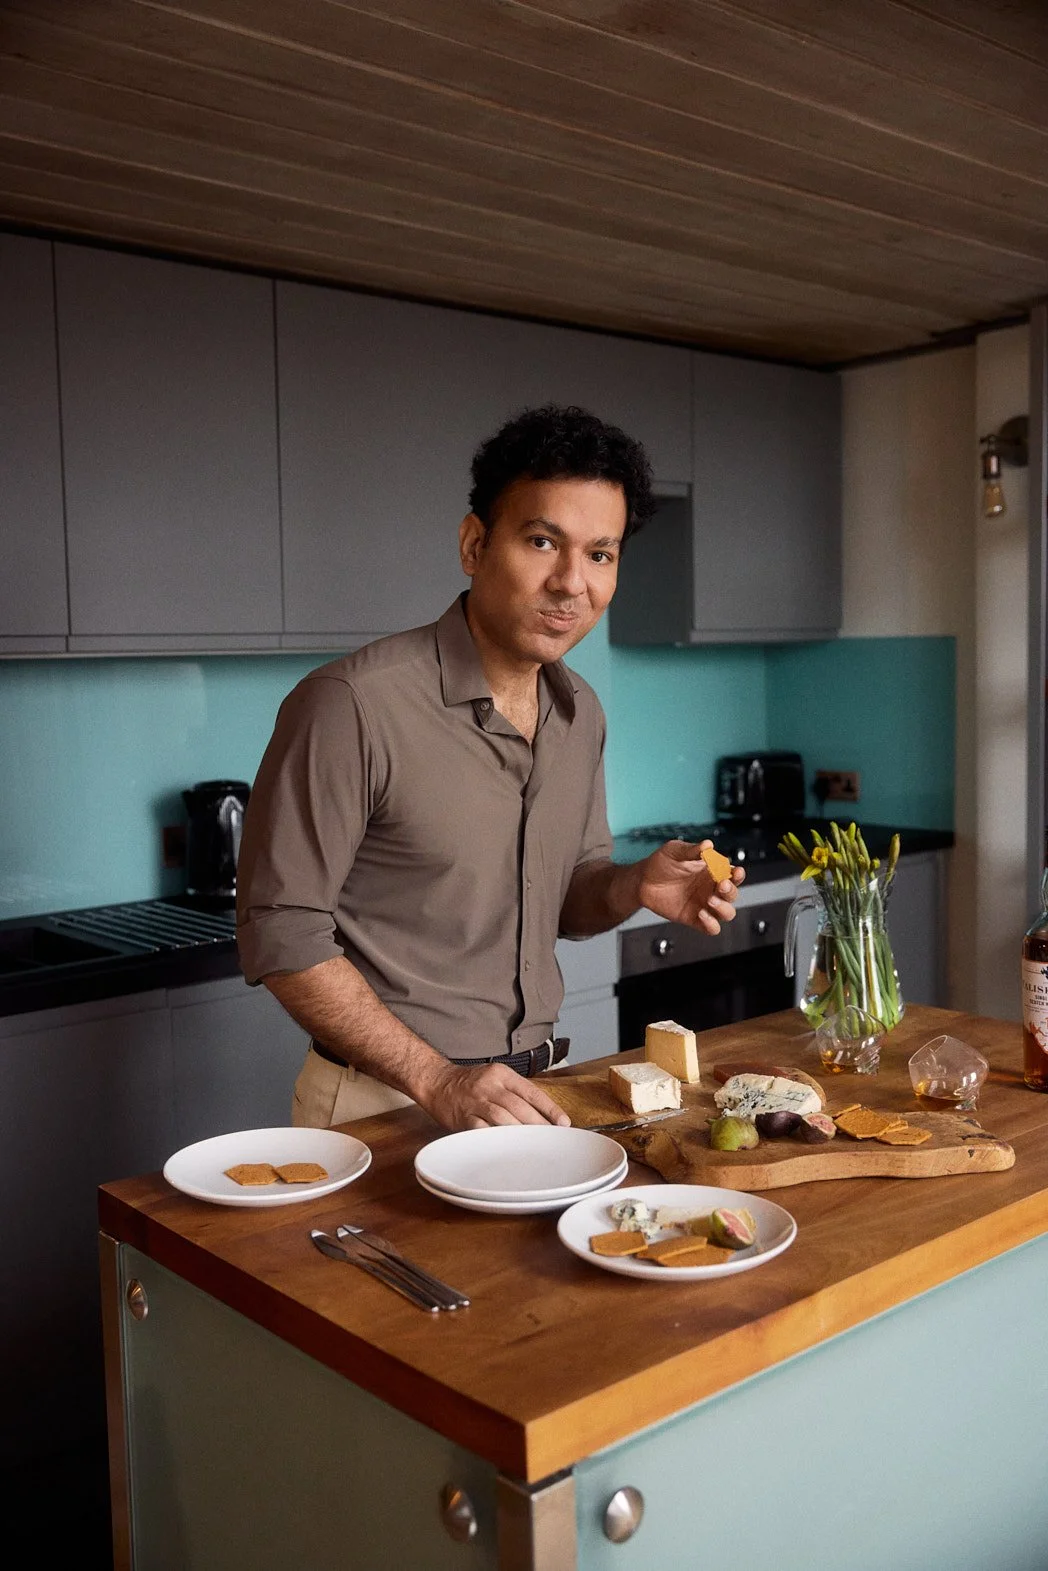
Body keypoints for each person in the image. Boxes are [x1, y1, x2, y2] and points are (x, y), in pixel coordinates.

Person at [236, 404, 744, 1132]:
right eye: (543, 541)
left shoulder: (580, 713)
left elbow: (565, 898)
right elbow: (279, 933)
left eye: (601, 554)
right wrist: (436, 1079)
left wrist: (632, 884)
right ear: (475, 543)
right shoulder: (352, 703)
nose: (573, 582)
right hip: (384, 1105)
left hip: (531, 1097)